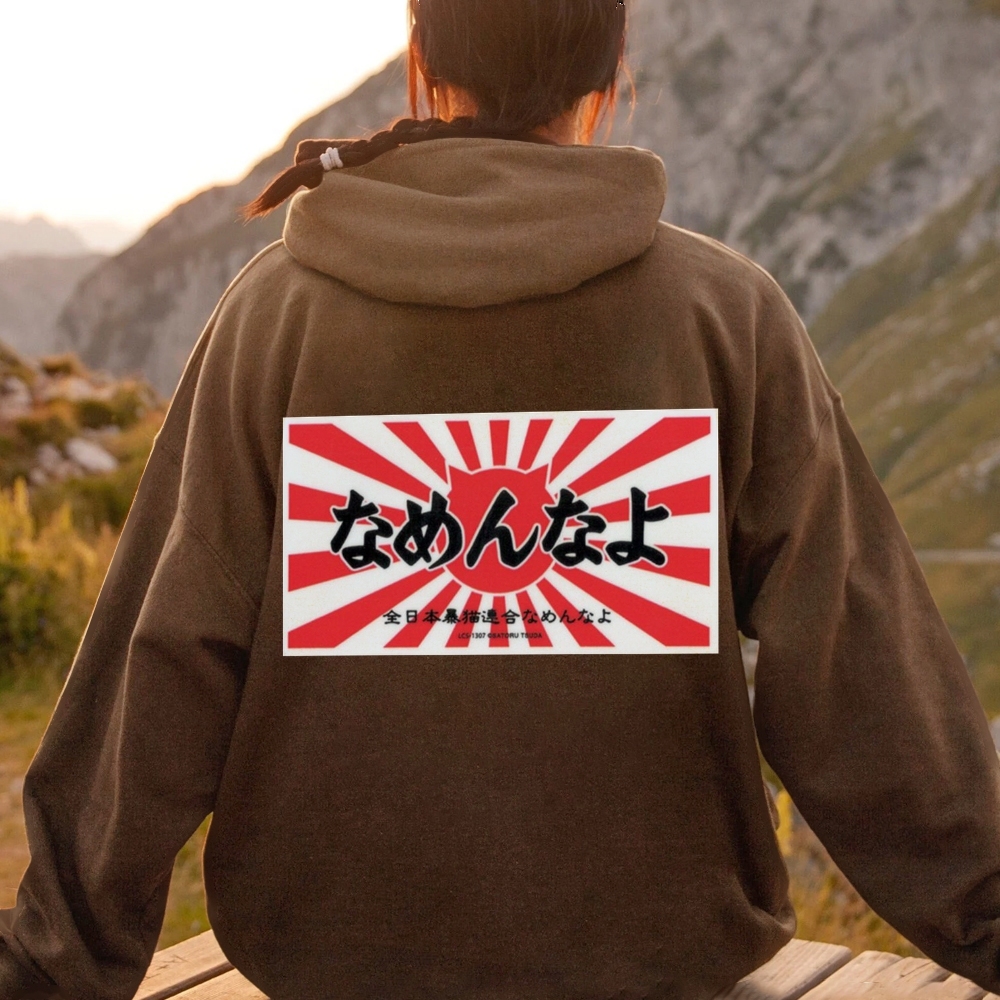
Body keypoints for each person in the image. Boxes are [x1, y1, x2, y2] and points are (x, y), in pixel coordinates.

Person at [3, 1, 1000, 998]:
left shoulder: (275, 316)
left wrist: (51, 967)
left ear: (422, 65)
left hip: (329, 962)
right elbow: (855, 664)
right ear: (609, 78)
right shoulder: (724, 314)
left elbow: (164, 658)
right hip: (661, 961)